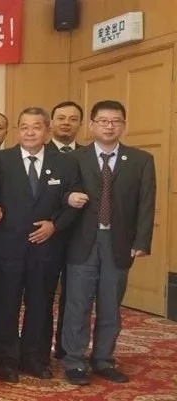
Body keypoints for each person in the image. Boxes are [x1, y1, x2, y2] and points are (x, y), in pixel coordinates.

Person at [61, 100, 156, 386]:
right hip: (82, 240)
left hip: (119, 241)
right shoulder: (74, 158)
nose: (109, 126)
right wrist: (67, 197)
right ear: (92, 125)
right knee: (78, 303)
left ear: (124, 126)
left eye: (116, 121)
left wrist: (142, 240)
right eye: (103, 120)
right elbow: (59, 192)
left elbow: (146, 203)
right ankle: (74, 361)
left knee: (110, 304)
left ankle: (103, 359)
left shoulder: (141, 160)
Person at [0, 107, 80, 382]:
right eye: (25, 127)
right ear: (18, 130)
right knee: (6, 305)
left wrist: (55, 225)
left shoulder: (65, 162)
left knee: (41, 304)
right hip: (8, 246)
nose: (30, 132)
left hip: (46, 247)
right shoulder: (1, 160)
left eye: (37, 127)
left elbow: (75, 200)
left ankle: (35, 358)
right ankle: (7, 360)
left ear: (47, 130)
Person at [46, 100, 85, 360]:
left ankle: (65, 347)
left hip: (79, 237)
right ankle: (40, 347)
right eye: (61, 118)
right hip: (44, 237)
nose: (66, 123)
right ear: (51, 123)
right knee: (43, 296)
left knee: (73, 296)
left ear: (81, 124)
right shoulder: (38, 151)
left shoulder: (87, 155)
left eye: (73, 119)